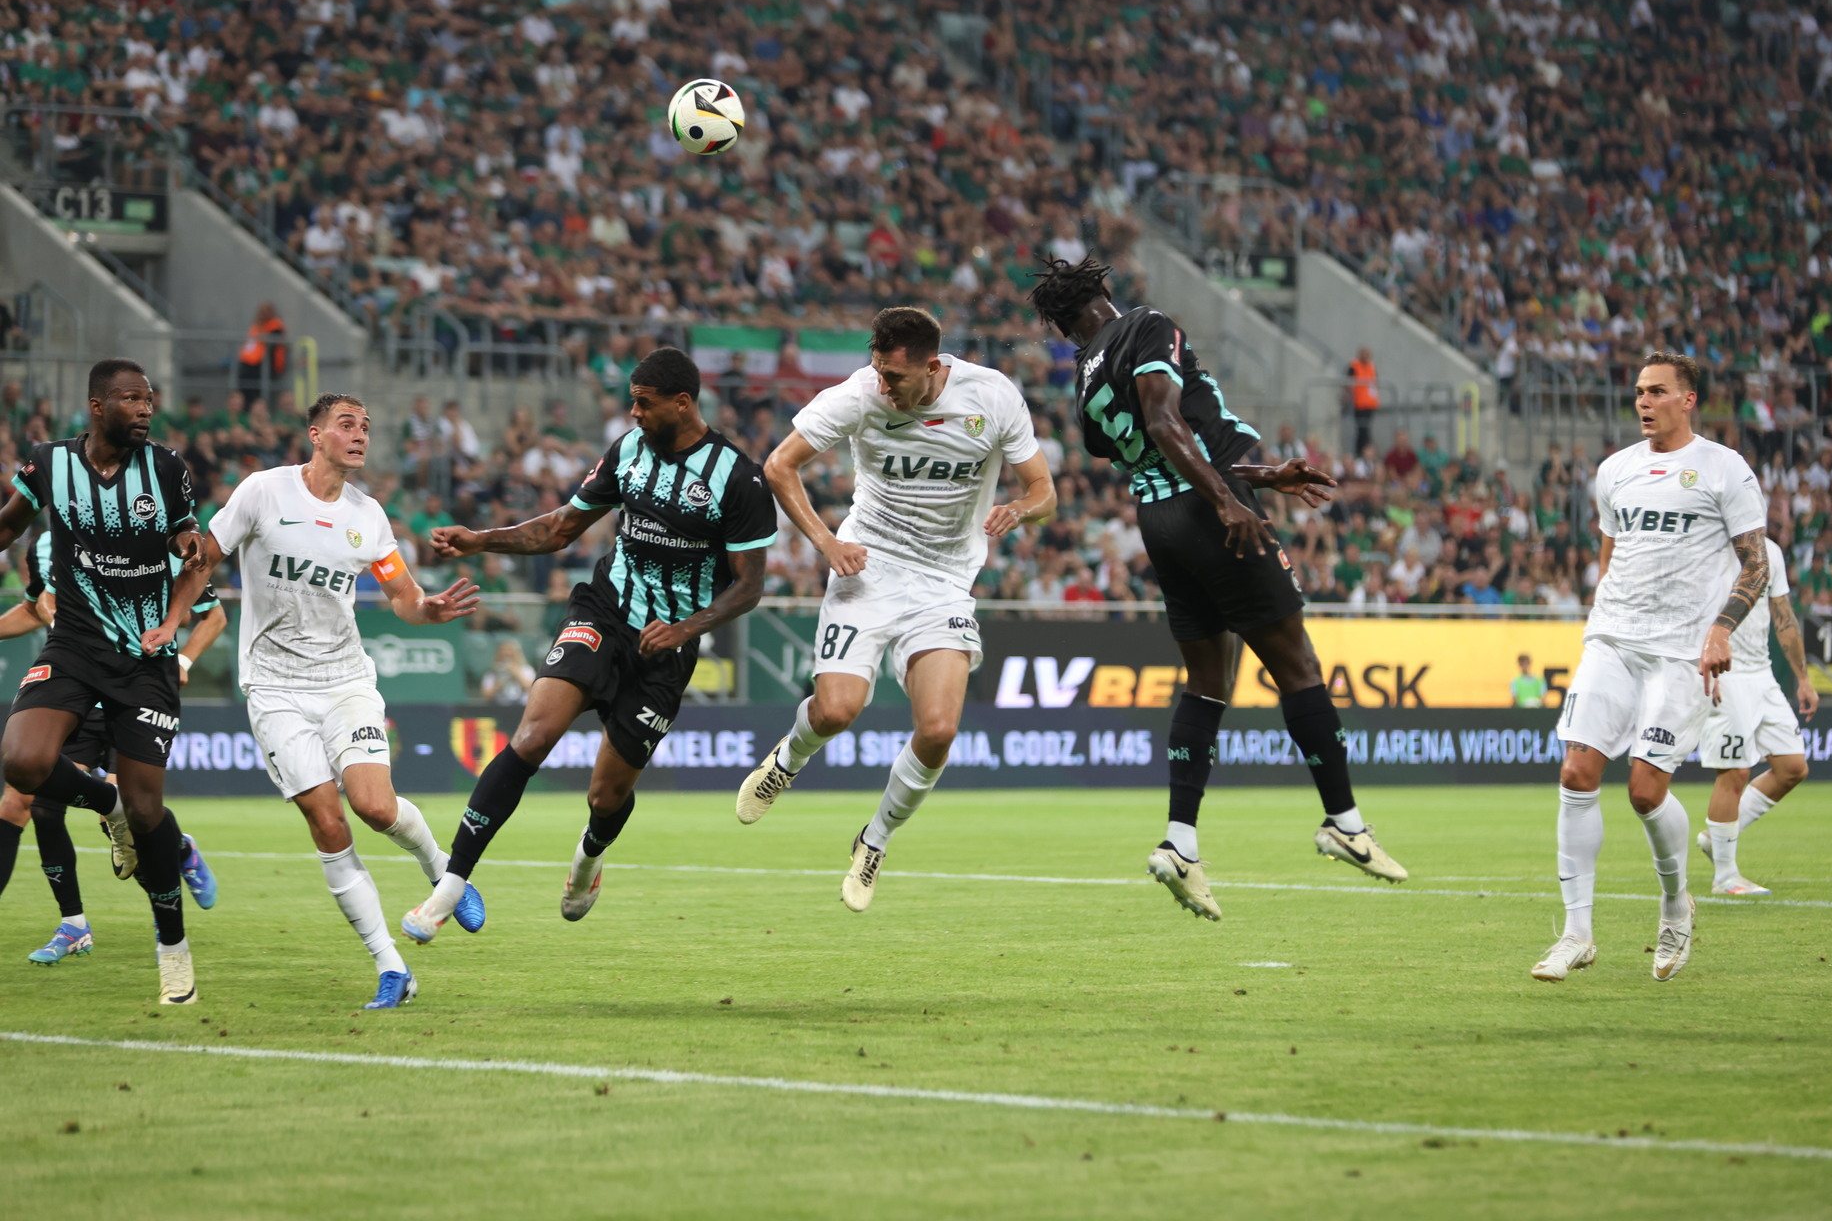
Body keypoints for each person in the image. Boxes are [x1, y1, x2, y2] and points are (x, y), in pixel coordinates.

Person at [1026, 255, 1407, 923]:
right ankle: (1345, 823)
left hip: (1160, 522)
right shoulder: (1146, 325)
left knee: (1206, 682)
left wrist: (1262, 476)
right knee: (1297, 663)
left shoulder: (1084, 384)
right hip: (1206, 512)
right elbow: (1166, 424)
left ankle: (1181, 843)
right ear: (1103, 291)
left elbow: (1157, 448)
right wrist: (1229, 501)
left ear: (1062, 327)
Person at [402, 348, 776, 937]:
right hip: (603, 612)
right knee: (532, 736)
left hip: (667, 648)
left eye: (644, 403)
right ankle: (450, 885)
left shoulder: (738, 478)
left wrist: (684, 629)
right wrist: (480, 539)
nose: (634, 413)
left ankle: (589, 858)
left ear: (682, 403)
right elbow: (559, 529)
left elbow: (750, 586)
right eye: (632, 401)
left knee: (606, 796)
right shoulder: (627, 452)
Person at [161, 393, 485, 1010]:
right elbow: (206, 558)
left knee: (374, 807)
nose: (359, 435)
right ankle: (391, 967)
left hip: (344, 681)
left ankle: (441, 868)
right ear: (315, 434)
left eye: (366, 427)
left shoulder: (369, 517)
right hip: (275, 688)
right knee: (328, 823)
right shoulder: (263, 492)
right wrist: (174, 622)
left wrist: (429, 609)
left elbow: (403, 597)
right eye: (346, 424)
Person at [734, 306, 1055, 911]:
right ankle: (787, 760)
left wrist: (1019, 509)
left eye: (895, 376)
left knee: (939, 730)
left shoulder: (991, 397)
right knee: (836, 711)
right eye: (878, 370)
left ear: (932, 367)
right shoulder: (860, 394)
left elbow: (1045, 492)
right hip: (869, 568)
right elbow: (778, 466)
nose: (883, 385)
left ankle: (874, 841)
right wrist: (826, 542)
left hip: (944, 582)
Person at [1533, 351, 1769, 984]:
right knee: (1576, 771)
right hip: (1613, 640)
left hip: (1682, 652)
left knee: (1644, 790)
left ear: (1687, 400)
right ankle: (1576, 934)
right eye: (1639, 391)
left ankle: (1674, 904)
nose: (1643, 401)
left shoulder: (1724, 468)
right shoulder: (1615, 471)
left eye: (1657, 391)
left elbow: (1756, 563)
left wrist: (1721, 628)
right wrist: (1602, 617)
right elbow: (1610, 555)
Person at [0, 358, 208, 1005]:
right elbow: (9, 524)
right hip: (75, 644)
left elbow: (193, 551)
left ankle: (172, 946)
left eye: (149, 399)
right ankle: (103, 803)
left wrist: (179, 591)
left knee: (147, 812)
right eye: (131, 399)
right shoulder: (49, 463)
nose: (145, 409)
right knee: (21, 761)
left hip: (145, 657)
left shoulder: (168, 468)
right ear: (97, 405)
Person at [0, 528, 225, 964]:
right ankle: (73, 924)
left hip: (135, 693)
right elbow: (34, 608)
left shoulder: (157, 539)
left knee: (133, 818)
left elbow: (211, 615)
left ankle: (175, 862)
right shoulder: (45, 545)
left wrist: (183, 658)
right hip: (75, 693)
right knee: (38, 805)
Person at [1695, 534, 1818, 896]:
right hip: (1725, 672)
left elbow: (1784, 618)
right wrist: (1699, 666)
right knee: (1734, 771)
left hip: (1762, 674)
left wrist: (1803, 679)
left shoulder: (1770, 551)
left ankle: (1716, 838)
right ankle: (1725, 876)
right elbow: (1687, 612)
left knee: (1792, 767)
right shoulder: (1705, 546)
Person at [1347, 345, 1380, 455]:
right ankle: (1361, 453)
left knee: (1366, 429)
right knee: (1361, 430)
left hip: (1370, 404)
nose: (1366, 356)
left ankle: (1365, 452)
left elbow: (1375, 382)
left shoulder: (1372, 366)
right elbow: (1348, 382)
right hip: (1359, 403)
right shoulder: (1354, 366)